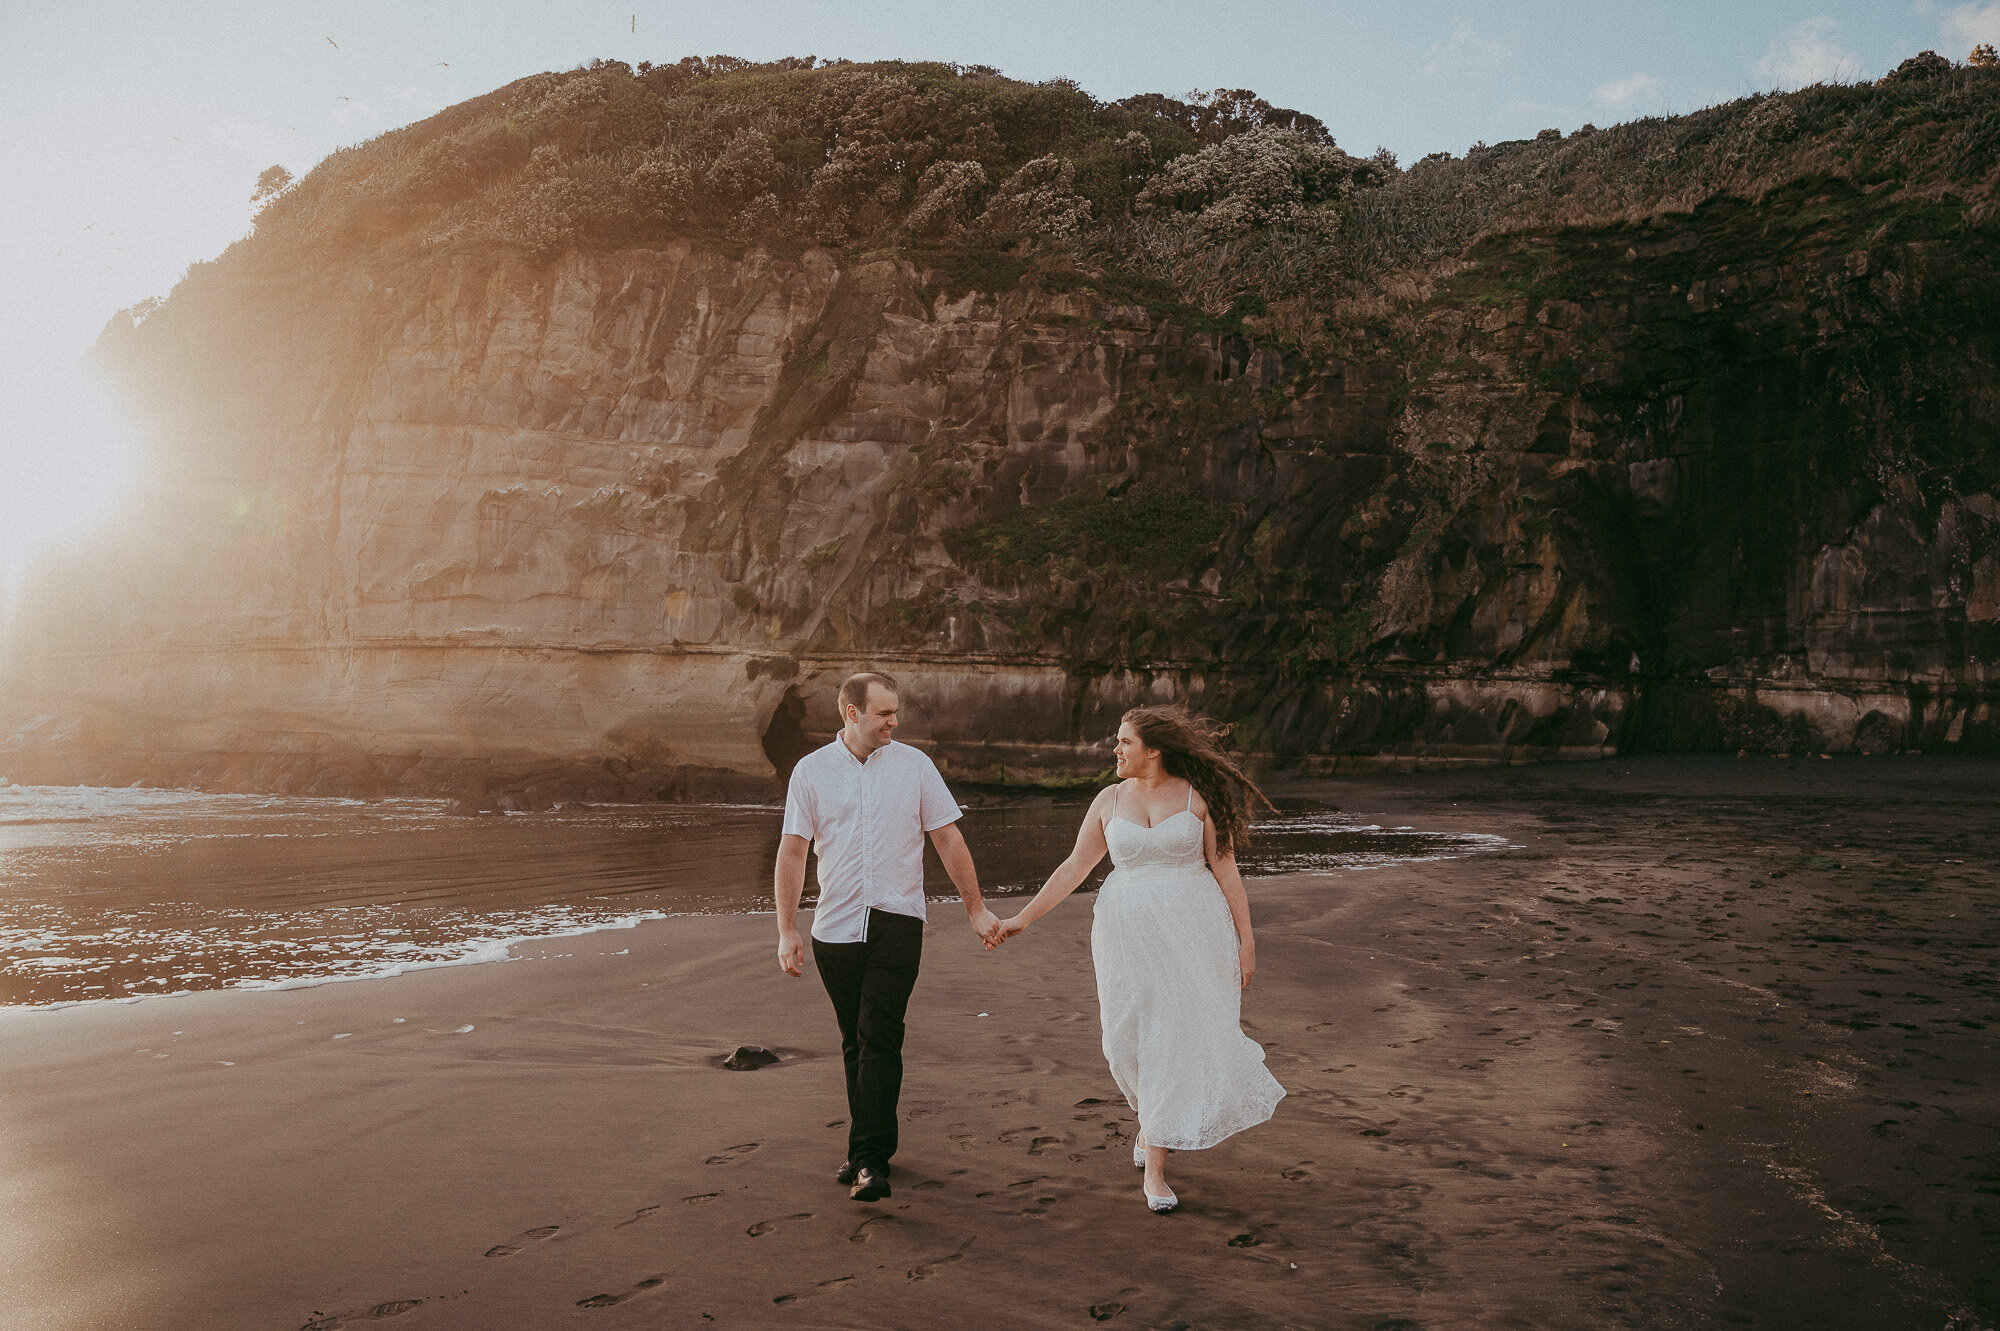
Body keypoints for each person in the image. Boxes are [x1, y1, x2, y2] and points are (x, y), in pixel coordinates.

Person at [993, 704, 1284, 1213]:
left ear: (1154, 749)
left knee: (1174, 1037)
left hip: (1195, 933)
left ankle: (1155, 1171)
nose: (1116, 749)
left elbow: (1227, 872)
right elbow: (1073, 868)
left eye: (1125, 742)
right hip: (1125, 937)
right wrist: (1023, 918)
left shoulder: (1200, 798)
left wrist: (1247, 941)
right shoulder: (1108, 800)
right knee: (1124, 1040)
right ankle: (1154, 1121)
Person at [774, 672, 1003, 1202]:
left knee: (880, 1034)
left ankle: (871, 1160)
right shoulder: (811, 772)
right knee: (856, 1040)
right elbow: (792, 852)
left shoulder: (914, 766)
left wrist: (976, 910)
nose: (894, 722)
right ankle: (865, 1150)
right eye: (883, 713)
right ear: (851, 713)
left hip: (898, 921)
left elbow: (947, 837)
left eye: (895, 712)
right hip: (834, 928)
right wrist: (787, 930)